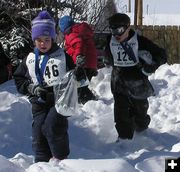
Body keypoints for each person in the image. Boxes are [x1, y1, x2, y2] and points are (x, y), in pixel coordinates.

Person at [13, 10, 77, 163]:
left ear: (52, 39)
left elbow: (75, 76)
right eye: (39, 40)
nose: (43, 43)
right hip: (39, 102)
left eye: (47, 39)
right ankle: (41, 164)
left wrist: (80, 72)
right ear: (34, 40)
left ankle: (61, 159)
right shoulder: (29, 58)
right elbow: (19, 78)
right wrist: (31, 88)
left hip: (59, 101)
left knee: (52, 127)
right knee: (38, 134)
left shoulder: (62, 55)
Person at [104, 13, 167, 142]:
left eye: (120, 30)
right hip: (119, 83)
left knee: (140, 115)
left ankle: (141, 132)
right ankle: (124, 141)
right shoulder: (109, 41)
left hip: (138, 83)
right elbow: (108, 57)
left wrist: (152, 66)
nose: (116, 34)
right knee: (121, 114)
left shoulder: (140, 42)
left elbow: (162, 55)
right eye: (112, 30)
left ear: (128, 28)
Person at [59, 15, 98, 104]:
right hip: (90, 63)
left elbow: (78, 44)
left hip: (83, 63)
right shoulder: (79, 31)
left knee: (80, 85)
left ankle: (89, 102)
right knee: (81, 85)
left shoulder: (72, 33)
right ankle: (87, 100)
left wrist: (78, 56)